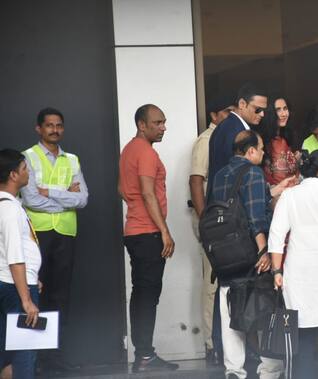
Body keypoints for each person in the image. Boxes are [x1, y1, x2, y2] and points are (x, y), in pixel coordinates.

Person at [211, 130, 286, 379]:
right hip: (248, 253)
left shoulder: (221, 174)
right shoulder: (252, 173)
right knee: (263, 307)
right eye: (262, 149)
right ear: (250, 150)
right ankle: (270, 369)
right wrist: (265, 251)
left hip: (224, 254)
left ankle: (234, 370)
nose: (264, 153)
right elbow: (255, 216)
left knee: (229, 309)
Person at [20, 107, 88, 372]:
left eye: (59, 125)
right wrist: (64, 196)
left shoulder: (72, 159)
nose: (55, 130)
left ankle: (54, 356)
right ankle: (33, 359)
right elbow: (31, 199)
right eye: (49, 125)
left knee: (61, 296)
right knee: (35, 292)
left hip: (65, 234)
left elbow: (82, 199)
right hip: (38, 234)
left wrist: (50, 191)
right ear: (39, 128)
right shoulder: (29, 157)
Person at [269, 150, 318, 379]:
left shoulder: (290, 196)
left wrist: (277, 271)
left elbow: (276, 235)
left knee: (302, 336)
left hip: (299, 275)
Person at [118, 104, 178, 373]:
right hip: (147, 234)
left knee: (141, 294)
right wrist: (164, 230)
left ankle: (143, 355)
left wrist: (138, 209)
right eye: (157, 122)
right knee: (147, 296)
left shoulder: (130, 150)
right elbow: (147, 192)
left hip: (136, 231)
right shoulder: (146, 152)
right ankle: (144, 356)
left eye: (164, 122)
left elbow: (123, 188)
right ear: (142, 125)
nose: (163, 127)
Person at [189, 96, 235, 366]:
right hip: (213, 225)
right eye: (227, 113)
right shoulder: (208, 140)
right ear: (214, 114)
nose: (230, 118)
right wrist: (206, 221)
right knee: (211, 284)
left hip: (224, 224)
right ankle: (211, 345)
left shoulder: (223, 138)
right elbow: (196, 180)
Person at [0, 149, 42, 379]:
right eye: (25, 168)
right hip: (16, 288)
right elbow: (14, 255)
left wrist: (34, 275)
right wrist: (26, 298)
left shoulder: (8, 205)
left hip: (16, 282)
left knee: (8, 356)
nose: (29, 173)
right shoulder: (9, 209)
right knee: (24, 354)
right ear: (13, 175)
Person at [206, 83, 268, 200]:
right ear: (242, 104)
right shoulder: (237, 131)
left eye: (264, 110)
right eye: (257, 109)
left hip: (221, 205)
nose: (262, 114)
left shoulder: (226, 126)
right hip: (232, 207)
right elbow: (238, 175)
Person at [258, 96, 299, 185]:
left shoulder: (284, 136)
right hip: (282, 193)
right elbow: (280, 179)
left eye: (285, 108)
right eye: (278, 110)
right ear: (269, 113)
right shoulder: (272, 141)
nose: (283, 114)